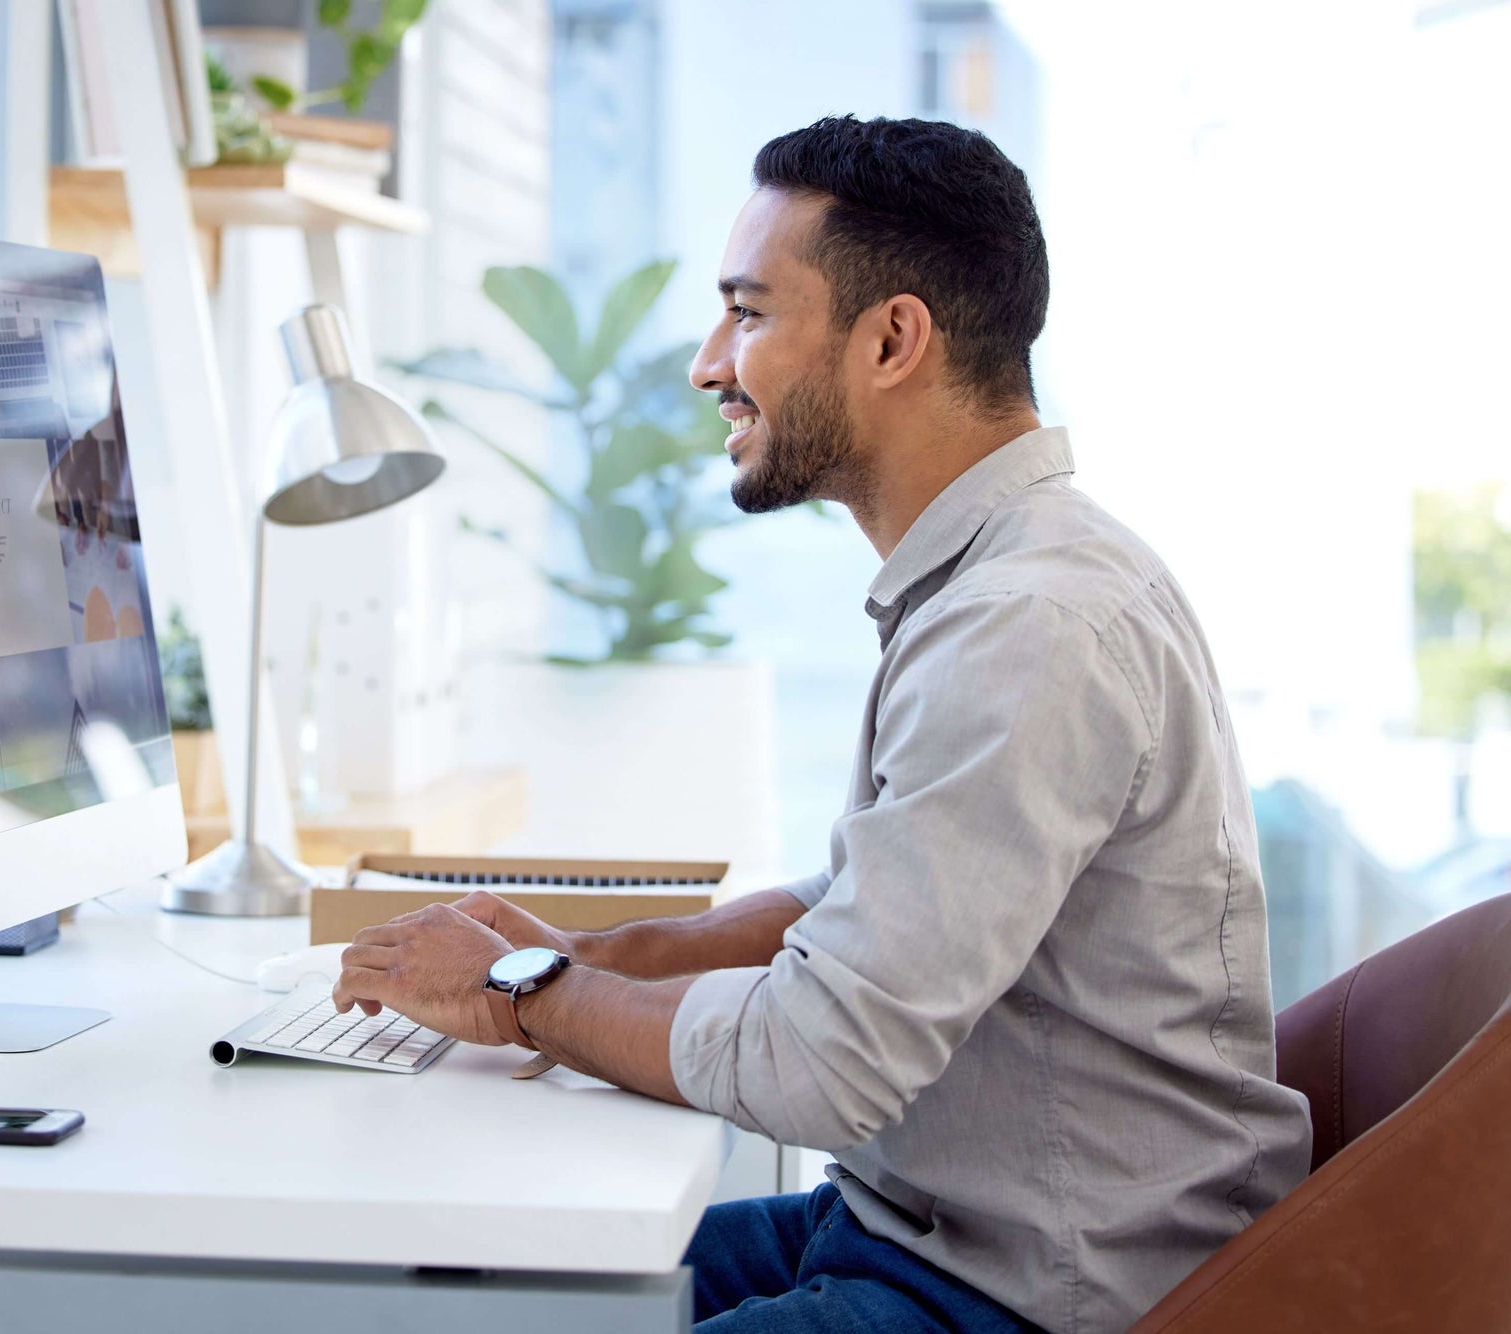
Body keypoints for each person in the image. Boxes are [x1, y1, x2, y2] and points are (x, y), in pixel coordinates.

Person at [330, 115, 1312, 1332]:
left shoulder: (1030, 623)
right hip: (920, 1230)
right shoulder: (1002, 578)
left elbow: (819, 1056)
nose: (706, 363)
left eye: (747, 312)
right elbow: (864, 906)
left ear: (891, 338)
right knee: (464, 1283)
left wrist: (520, 989)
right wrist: (601, 954)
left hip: (1030, 1295)